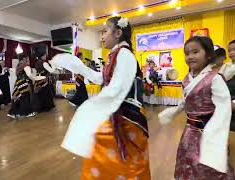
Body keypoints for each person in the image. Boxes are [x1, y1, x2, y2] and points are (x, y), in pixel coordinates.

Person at [51, 16, 150, 179]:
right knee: (104, 155)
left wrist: (90, 110)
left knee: (119, 161)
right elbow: (101, 79)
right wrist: (77, 65)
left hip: (127, 118)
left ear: (118, 33)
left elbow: (116, 88)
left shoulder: (124, 54)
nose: (101, 36)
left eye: (105, 31)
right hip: (119, 115)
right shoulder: (116, 55)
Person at [159, 36, 235, 179]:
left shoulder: (215, 78)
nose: (190, 56)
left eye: (195, 52)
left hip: (209, 131)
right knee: (188, 163)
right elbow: (185, 102)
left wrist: (215, 132)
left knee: (208, 167)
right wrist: (173, 112)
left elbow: (224, 109)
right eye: (187, 53)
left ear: (207, 55)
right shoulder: (187, 79)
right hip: (190, 131)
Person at [8, 53, 44, 118]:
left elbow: (17, 74)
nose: (28, 59)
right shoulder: (25, 65)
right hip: (24, 83)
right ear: (24, 58)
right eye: (27, 58)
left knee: (19, 97)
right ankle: (27, 113)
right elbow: (30, 76)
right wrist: (39, 78)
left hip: (18, 82)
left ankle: (12, 112)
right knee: (25, 98)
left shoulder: (19, 64)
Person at [32, 48, 55, 113]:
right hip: (44, 80)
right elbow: (51, 71)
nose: (45, 56)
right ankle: (46, 107)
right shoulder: (44, 63)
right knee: (45, 93)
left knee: (40, 93)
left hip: (38, 80)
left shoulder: (37, 63)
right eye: (45, 55)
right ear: (42, 56)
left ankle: (40, 107)